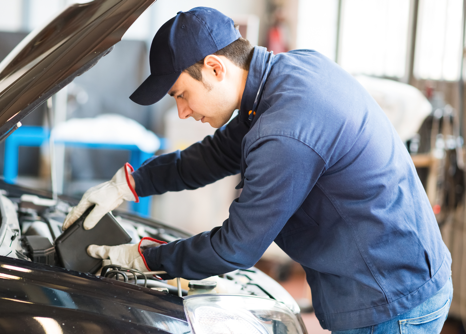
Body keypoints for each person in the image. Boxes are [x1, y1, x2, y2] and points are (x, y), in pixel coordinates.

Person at [62, 7, 452, 333]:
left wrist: (145, 258)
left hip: (391, 299)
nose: (181, 110)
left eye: (181, 94)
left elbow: (236, 247)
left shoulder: (286, 128)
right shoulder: (282, 79)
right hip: (388, 275)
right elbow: (213, 156)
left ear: (215, 68)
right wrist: (127, 184)